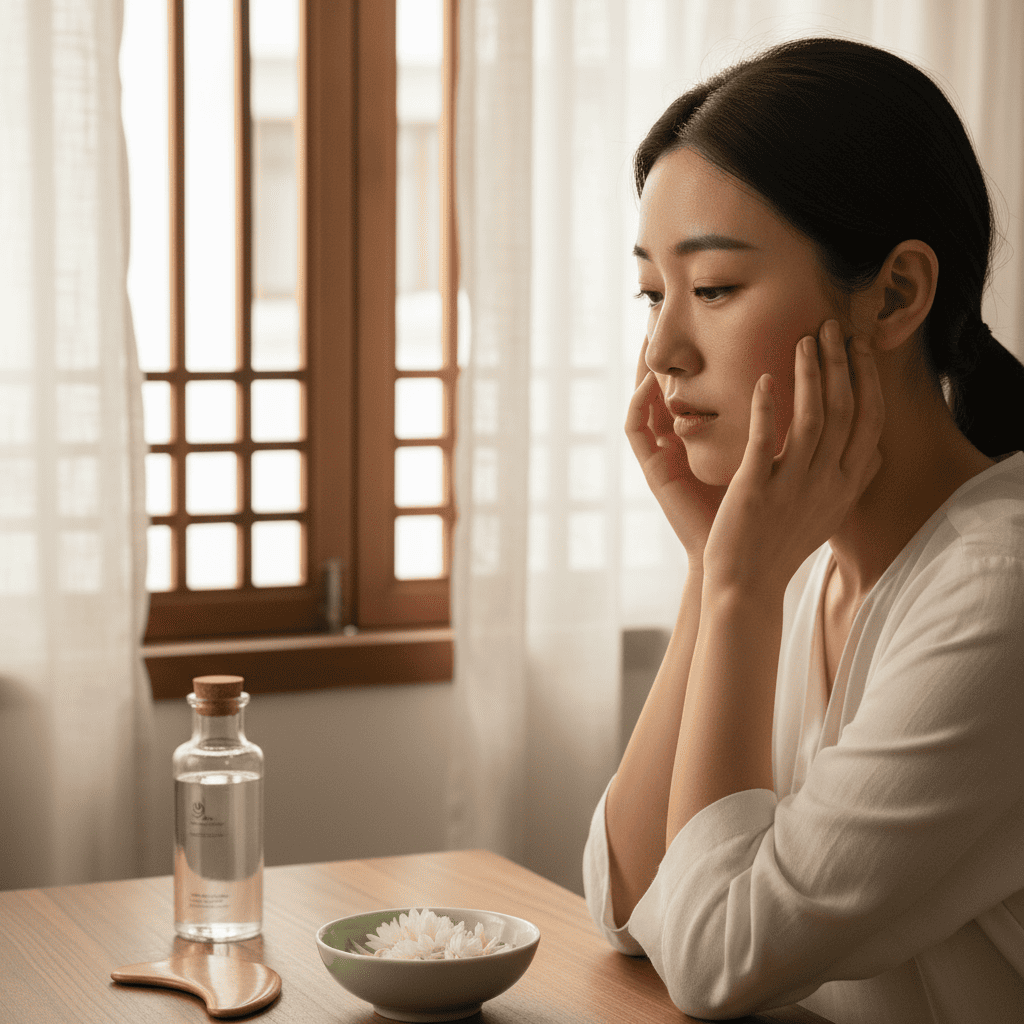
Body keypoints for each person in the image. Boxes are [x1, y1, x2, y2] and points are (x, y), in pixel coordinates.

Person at [583, 37, 1024, 1024]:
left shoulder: (998, 592)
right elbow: (623, 897)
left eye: (713, 290)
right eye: (651, 294)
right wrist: (711, 571)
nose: (660, 351)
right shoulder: (806, 560)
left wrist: (739, 587)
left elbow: (709, 961)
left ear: (896, 293)